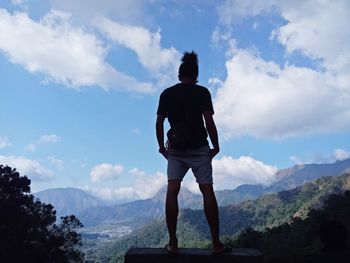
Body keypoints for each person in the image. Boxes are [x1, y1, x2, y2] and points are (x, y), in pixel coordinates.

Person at [156, 51, 229, 255]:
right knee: (207, 191)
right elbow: (209, 121)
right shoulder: (202, 92)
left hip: (176, 150)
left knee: (172, 190)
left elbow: (159, 122)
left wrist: (162, 148)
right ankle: (216, 244)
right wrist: (216, 146)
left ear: (179, 76)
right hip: (199, 148)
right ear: (196, 76)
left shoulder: (166, 94)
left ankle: (173, 243)